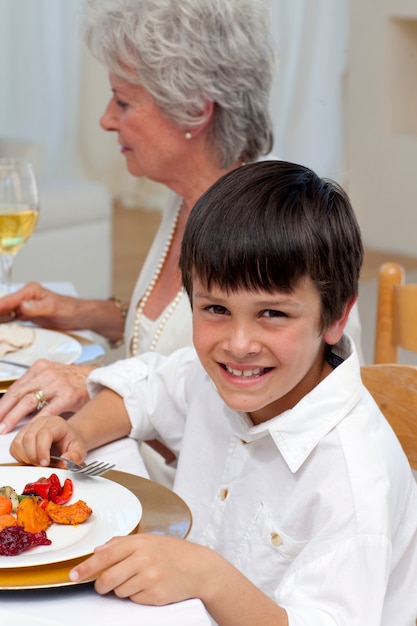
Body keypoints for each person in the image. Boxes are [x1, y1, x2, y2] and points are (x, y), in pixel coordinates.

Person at [10, 161, 417, 626]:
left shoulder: (353, 481)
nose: (238, 344)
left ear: (336, 319)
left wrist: (210, 578)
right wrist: (75, 430)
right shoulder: (215, 378)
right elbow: (146, 389)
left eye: (273, 314)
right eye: (217, 308)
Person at [0, 0, 276, 433]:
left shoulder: (268, 232)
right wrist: (85, 312)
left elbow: (248, 423)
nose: (106, 120)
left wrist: (97, 384)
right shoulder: (189, 195)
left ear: (194, 108)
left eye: (123, 101)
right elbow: (179, 333)